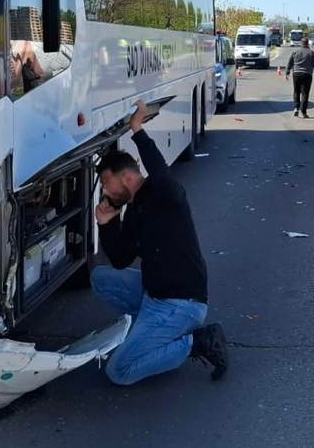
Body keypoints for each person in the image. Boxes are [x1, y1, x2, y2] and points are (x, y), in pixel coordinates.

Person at [91, 101, 228, 386]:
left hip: (181, 304)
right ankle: (154, 335)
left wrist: (137, 130)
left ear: (127, 178)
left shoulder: (164, 193)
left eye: (106, 184)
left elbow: (160, 172)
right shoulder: (133, 211)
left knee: (119, 372)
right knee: (101, 277)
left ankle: (199, 342)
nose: (104, 191)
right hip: (154, 294)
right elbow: (120, 259)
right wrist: (107, 224)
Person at [286, 37, 314, 117]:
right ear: (307, 43)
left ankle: (296, 108)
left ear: (301, 43)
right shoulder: (311, 52)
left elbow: (290, 62)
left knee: (296, 91)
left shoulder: (295, 51)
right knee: (305, 93)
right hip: (307, 74)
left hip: (296, 74)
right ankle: (304, 112)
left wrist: (287, 71)